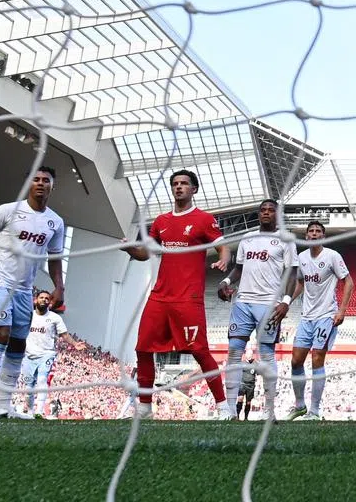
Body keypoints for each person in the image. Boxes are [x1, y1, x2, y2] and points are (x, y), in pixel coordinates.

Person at [122, 169, 232, 420]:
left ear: (194, 189)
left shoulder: (204, 219)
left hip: (188, 298)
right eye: (175, 184)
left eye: (184, 183)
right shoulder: (161, 221)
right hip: (160, 296)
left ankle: (223, 406)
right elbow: (145, 254)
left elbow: (224, 248)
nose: (178, 187)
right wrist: (129, 249)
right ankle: (145, 408)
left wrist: (223, 261)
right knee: (143, 348)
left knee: (200, 351)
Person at [0, 166, 65, 418]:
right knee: (1, 334)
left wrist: (59, 286)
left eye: (46, 181)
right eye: (36, 179)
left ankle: (5, 405)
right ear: (29, 184)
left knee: (19, 343)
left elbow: (54, 258)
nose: (40, 183)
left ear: (52, 186)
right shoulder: (7, 210)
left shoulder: (56, 222)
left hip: (24, 288)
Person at [218, 199, 298, 419]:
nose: (266, 213)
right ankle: (230, 410)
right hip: (242, 302)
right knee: (234, 353)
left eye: (271, 210)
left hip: (269, 305)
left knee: (266, 355)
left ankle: (269, 411)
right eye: (263, 210)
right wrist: (226, 282)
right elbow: (239, 269)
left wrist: (286, 300)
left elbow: (291, 273)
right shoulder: (247, 238)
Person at [287, 220, 353, 421]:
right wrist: (287, 301)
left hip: (326, 316)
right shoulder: (302, 257)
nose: (314, 234)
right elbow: (300, 282)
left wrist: (342, 310)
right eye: (311, 231)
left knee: (317, 358)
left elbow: (349, 281)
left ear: (323, 236)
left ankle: (315, 411)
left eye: (318, 231)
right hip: (307, 317)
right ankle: (300, 406)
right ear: (306, 236)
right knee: (296, 361)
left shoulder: (332, 256)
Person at [21, 289, 84, 418]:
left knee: (42, 379)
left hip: (47, 354)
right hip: (29, 354)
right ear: (36, 300)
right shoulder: (28, 315)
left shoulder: (55, 318)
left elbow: (64, 334)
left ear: (49, 302)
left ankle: (39, 411)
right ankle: (30, 412)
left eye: (47, 298)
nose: (44, 300)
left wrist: (74, 344)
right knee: (29, 387)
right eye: (41, 297)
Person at [236, 352, 258, 421]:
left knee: (248, 402)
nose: (250, 356)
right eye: (248, 354)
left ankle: (246, 418)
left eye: (251, 354)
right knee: (240, 398)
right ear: (245, 355)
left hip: (251, 385)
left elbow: (259, 373)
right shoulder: (241, 363)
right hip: (242, 384)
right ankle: (237, 416)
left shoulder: (255, 364)